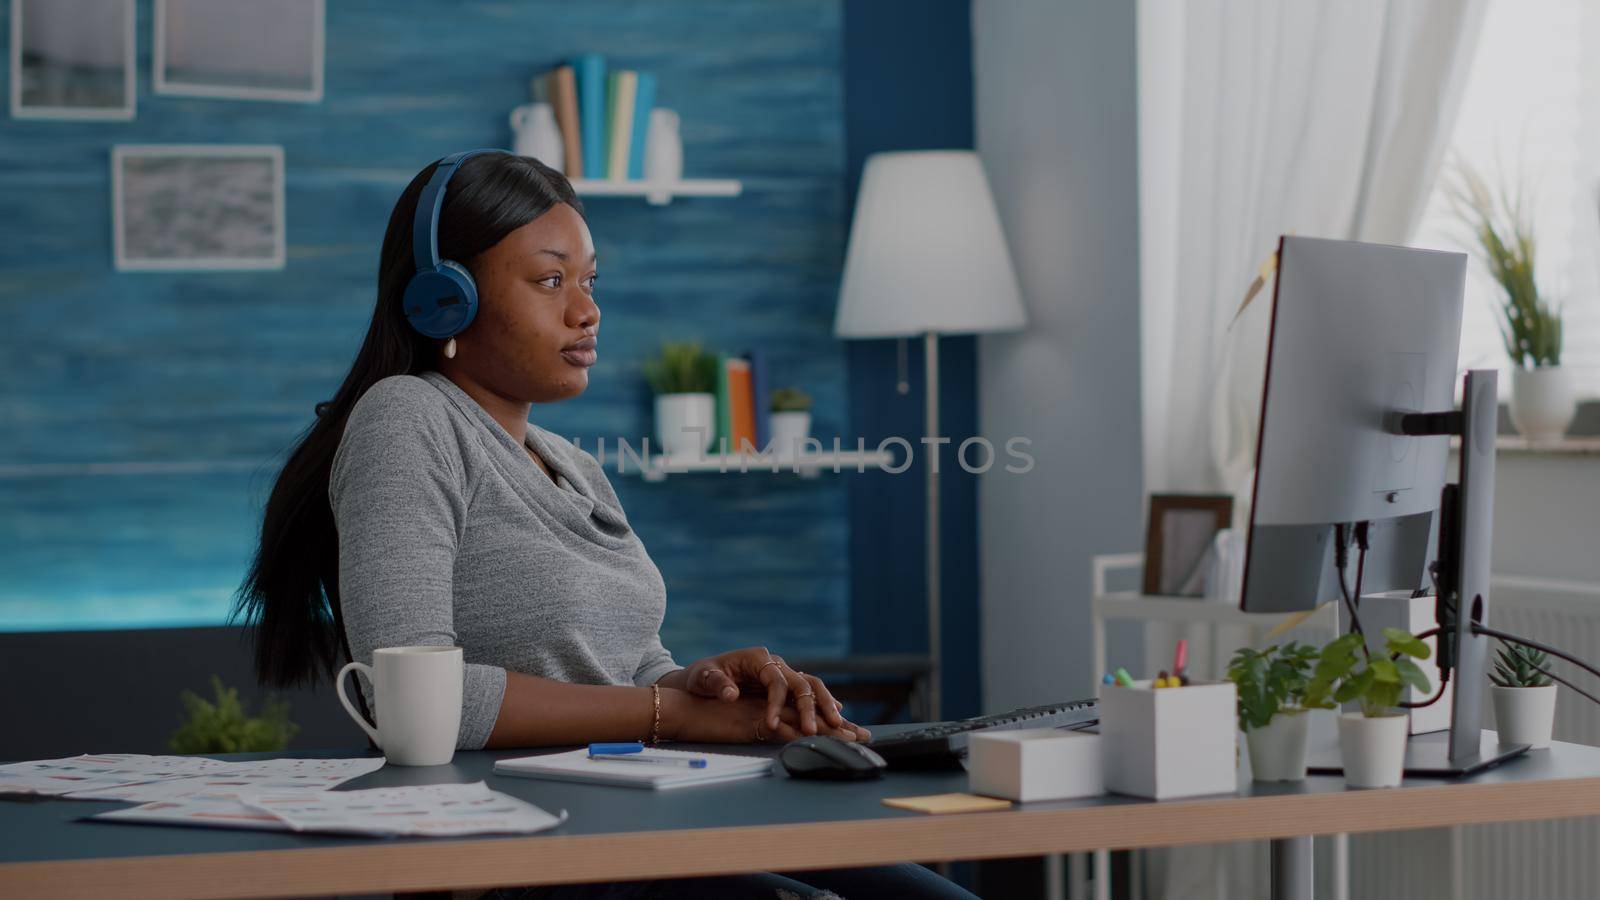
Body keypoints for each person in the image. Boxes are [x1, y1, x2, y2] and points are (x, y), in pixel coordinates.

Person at [234, 151, 979, 900]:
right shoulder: (407, 418)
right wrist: (671, 713)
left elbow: (631, 667)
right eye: (551, 280)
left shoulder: (573, 464)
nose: (586, 311)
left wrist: (703, 687)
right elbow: (413, 701)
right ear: (445, 301)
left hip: (635, 817)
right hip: (518, 853)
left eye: (591, 282)